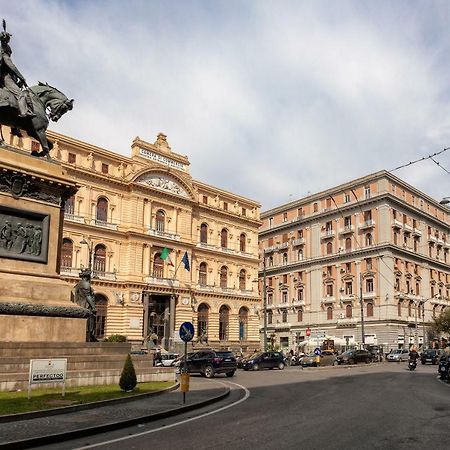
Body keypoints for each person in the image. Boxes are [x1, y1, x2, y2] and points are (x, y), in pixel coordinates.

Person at [0, 24, 34, 118]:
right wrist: (22, 77)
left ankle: (15, 126)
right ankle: (24, 113)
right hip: (7, 78)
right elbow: (12, 67)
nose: (10, 53)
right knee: (20, 95)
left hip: (6, 77)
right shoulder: (5, 56)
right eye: (10, 52)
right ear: (8, 51)